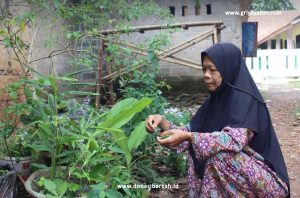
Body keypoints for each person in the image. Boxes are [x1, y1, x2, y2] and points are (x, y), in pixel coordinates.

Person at [145, 43, 290, 197]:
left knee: (220, 157)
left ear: (229, 69)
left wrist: (190, 137)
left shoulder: (246, 100)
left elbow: (234, 140)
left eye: (213, 70)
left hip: (270, 184)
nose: (206, 75)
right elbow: (190, 134)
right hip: (244, 177)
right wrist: (163, 123)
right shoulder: (214, 101)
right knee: (199, 151)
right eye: (204, 69)